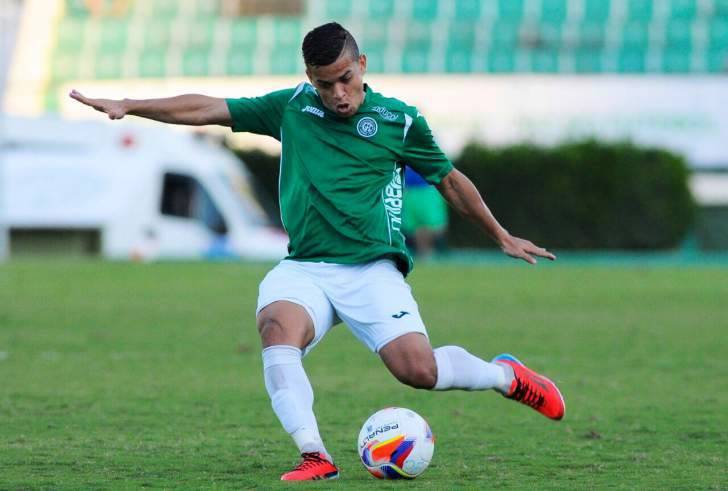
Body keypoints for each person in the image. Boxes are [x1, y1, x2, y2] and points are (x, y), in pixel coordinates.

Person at [70, 22, 564, 482]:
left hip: (372, 270)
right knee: (276, 329)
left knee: (419, 371)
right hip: (305, 268)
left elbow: (449, 181)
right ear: (311, 78)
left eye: (345, 79)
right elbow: (208, 109)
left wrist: (501, 235)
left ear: (362, 65)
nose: (338, 94)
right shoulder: (291, 108)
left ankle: (505, 376)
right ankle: (315, 454)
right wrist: (130, 105)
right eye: (325, 84)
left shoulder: (399, 121)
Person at [403, 166, 449, 259]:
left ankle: (426, 252)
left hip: (428, 188)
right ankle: (423, 253)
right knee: (416, 226)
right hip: (409, 189)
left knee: (436, 227)